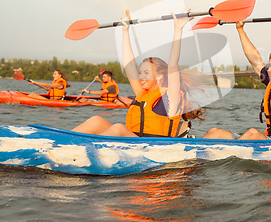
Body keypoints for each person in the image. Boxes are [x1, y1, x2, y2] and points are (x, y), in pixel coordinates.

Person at [72, 9, 205, 137]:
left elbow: (173, 66)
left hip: (153, 146)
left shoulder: (171, 96)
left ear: (159, 76)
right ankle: (62, 143)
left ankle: (86, 148)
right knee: (97, 120)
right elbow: (128, 65)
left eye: (146, 73)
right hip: (135, 140)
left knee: (118, 128)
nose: (141, 77)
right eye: (140, 72)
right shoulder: (142, 93)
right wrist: (125, 32)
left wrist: (178, 30)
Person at [203, 13, 271, 140]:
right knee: (214, 132)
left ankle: (230, 152)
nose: (269, 70)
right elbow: (254, 58)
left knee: (252, 133)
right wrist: (240, 29)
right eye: (269, 66)